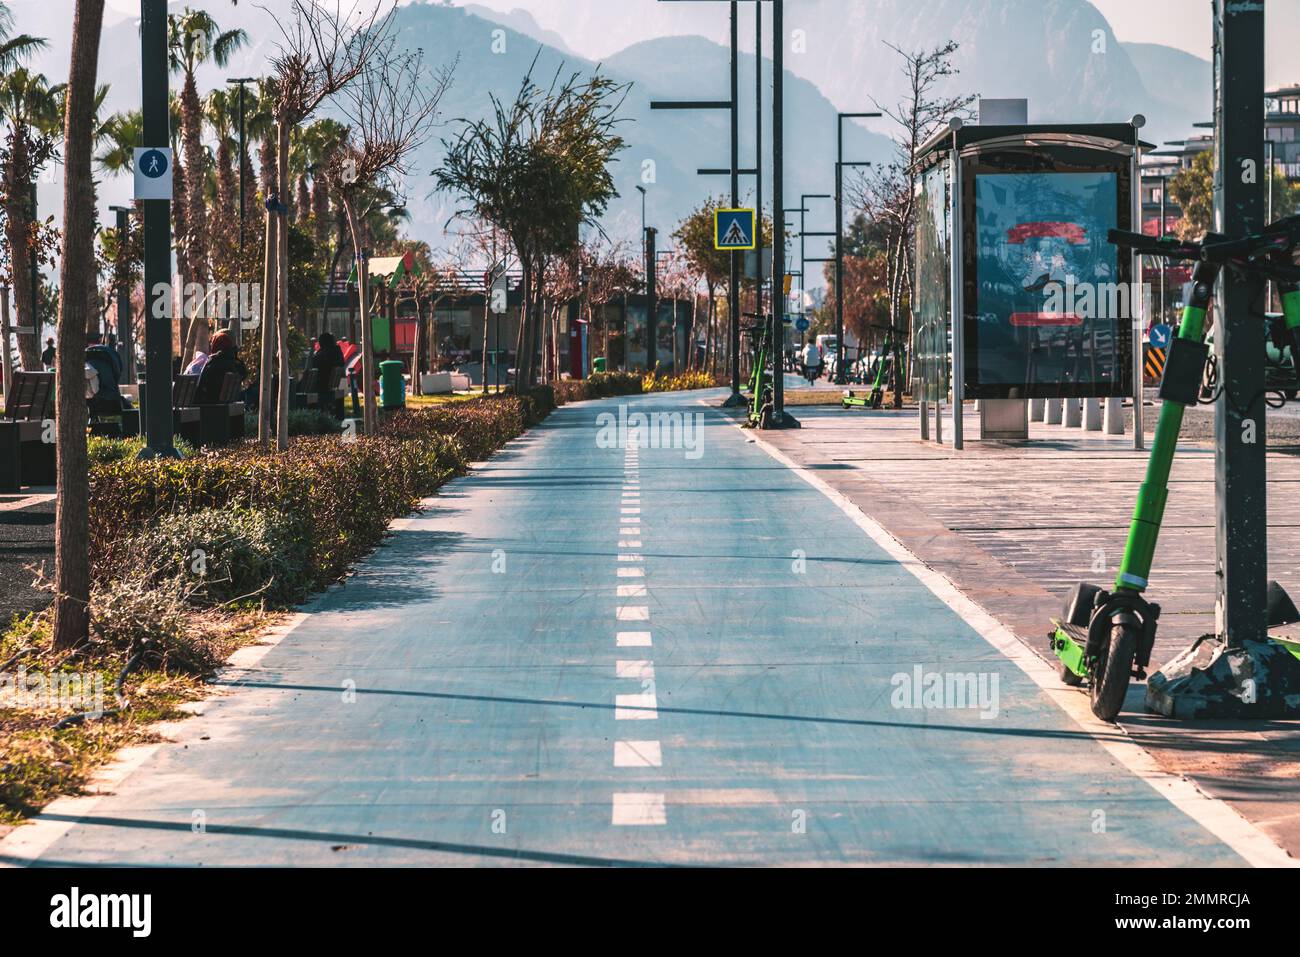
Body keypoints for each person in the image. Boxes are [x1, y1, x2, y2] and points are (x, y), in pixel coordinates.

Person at [195, 330, 247, 405]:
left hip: (211, 406)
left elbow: (201, 386)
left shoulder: (214, 364)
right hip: (227, 404)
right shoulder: (236, 364)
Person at [306, 332, 346, 418]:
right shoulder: (337, 352)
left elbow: (312, 366)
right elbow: (342, 363)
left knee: (299, 388)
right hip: (332, 385)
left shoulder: (322, 354)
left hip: (321, 387)